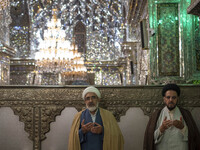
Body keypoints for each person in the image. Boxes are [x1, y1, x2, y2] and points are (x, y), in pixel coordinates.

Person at [143, 83, 200, 150]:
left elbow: (193, 137)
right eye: (168, 97)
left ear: (177, 98)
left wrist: (182, 128)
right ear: (164, 99)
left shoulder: (185, 114)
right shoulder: (157, 115)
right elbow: (150, 138)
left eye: (174, 97)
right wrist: (161, 129)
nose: (171, 100)